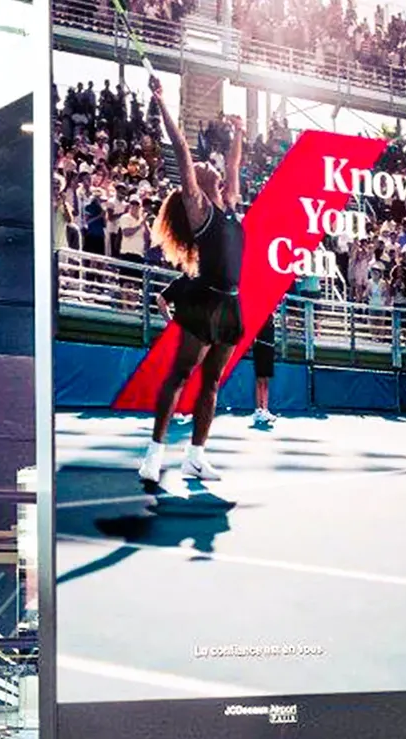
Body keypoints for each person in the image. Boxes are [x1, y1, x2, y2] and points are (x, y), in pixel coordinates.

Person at [137, 73, 246, 484]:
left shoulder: (229, 203)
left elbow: (233, 164)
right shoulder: (199, 208)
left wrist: (239, 133)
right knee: (181, 375)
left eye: (206, 164)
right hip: (203, 301)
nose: (205, 164)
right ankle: (154, 455)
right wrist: (161, 101)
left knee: (212, 382)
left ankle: (195, 457)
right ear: (195, 183)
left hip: (230, 302)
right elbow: (182, 149)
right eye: (200, 167)